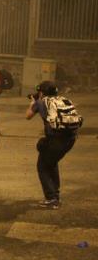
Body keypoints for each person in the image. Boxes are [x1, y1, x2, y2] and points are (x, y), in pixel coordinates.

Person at [26, 81, 80, 210]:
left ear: (42, 92)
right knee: (51, 163)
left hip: (55, 140)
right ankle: (55, 195)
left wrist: (32, 103)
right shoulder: (64, 100)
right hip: (70, 139)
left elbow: (28, 116)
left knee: (43, 167)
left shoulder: (41, 102)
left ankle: (52, 199)